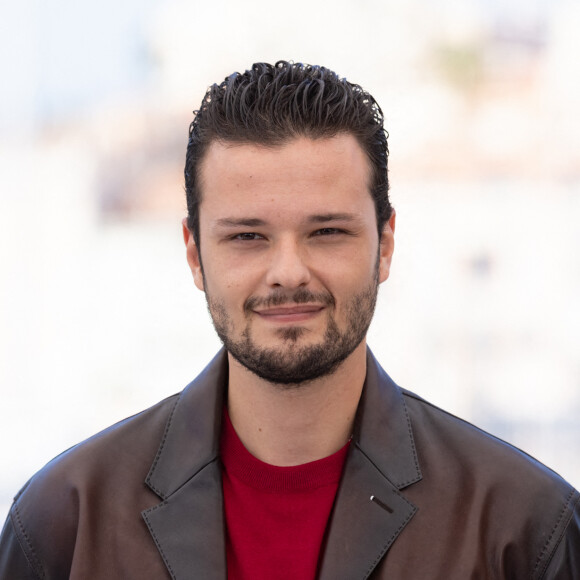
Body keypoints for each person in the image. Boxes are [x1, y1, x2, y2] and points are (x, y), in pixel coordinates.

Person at [0, 61, 578, 580]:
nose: (288, 271)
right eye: (247, 237)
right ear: (195, 254)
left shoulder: (522, 530)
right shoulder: (65, 525)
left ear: (386, 245)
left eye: (327, 232)